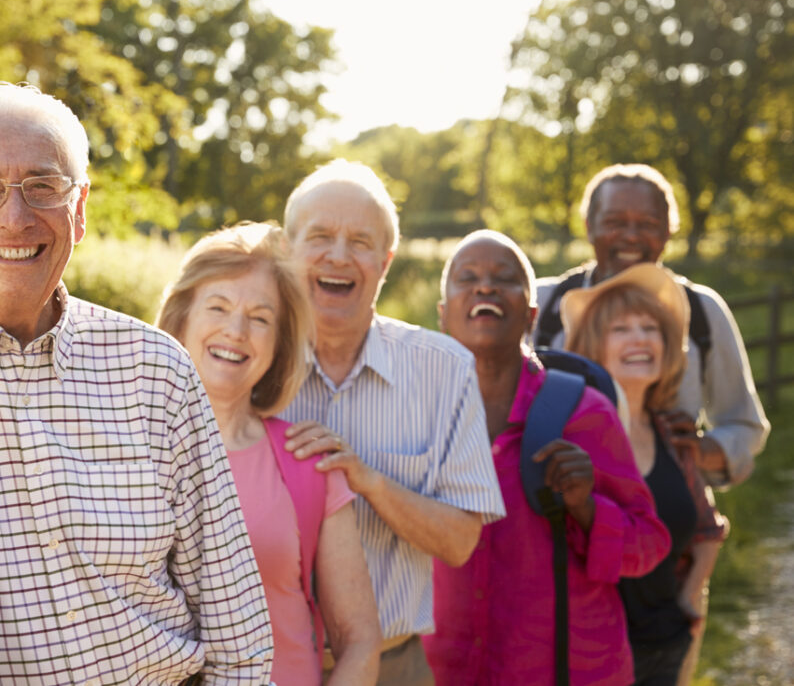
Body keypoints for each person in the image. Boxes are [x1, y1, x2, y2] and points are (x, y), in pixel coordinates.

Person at [0, 82, 273, 683]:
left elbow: (236, 627)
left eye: (43, 186)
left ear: (79, 210)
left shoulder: (154, 369)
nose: (15, 216)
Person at [276, 160, 506, 686]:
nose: (339, 255)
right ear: (287, 249)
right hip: (263, 666)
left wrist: (370, 481)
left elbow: (459, 542)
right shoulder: (245, 360)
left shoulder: (444, 369)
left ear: (386, 260)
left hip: (393, 667)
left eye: (360, 241)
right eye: (321, 237)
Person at [422, 230, 670, 685]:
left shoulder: (582, 411)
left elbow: (649, 544)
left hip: (569, 671)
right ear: (442, 315)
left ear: (531, 314)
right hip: (444, 671)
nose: (485, 287)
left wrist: (586, 506)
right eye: (467, 278)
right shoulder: (417, 415)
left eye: (504, 278)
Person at [156, 222, 382, 686]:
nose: (236, 330)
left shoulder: (307, 461)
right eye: (218, 307)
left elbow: (359, 638)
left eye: (260, 318)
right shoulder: (118, 447)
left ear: (277, 344)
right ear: (181, 319)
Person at [532, 163, 768, 488]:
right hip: (558, 515)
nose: (631, 235)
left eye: (648, 223)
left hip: (672, 519)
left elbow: (745, 424)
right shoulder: (541, 304)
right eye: (615, 222)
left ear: (668, 231)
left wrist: (700, 452)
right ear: (589, 227)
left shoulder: (702, 310)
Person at [562, 262, 728, 686]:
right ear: (592, 346)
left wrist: (691, 594)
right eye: (621, 329)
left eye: (650, 327)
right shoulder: (571, 435)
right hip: (592, 652)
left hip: (667, 640)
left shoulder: (673, 434)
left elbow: (708, 528)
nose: (640, 338)